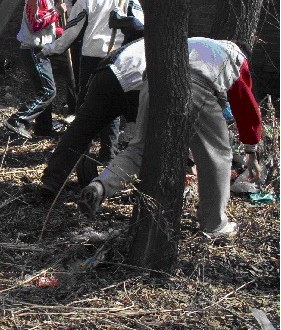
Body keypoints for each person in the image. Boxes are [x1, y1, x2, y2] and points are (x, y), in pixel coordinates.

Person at [78, 38, 263, 240]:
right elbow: (246, 108)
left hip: (152, 84)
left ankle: (100, 186)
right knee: (218, 155)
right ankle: (214, 224)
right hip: (195, 86)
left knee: (139, 150)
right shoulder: (236, 57)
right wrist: (251, 151)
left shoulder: (197, 43)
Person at [41, 0, 143, 163]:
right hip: (118, 60)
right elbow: (141, 24)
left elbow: (71, 32)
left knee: (87, 108)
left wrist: (49, 49)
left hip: (91, 60)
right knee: (112, 109)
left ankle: (81, 157)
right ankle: (108, 157)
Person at [37, 14, 145, 199]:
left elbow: (133, 27)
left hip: (107, 68)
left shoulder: (152, 39)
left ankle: (52, 181)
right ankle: (130, 178)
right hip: (134, 81)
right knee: (141, 138)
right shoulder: (178, 51)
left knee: (83, 128)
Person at [3, 0, 67, 139]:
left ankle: (43, 128)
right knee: (48, 91)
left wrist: (64, 32)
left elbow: (48, 28)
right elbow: (36, 24)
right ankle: (17, 120)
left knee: (44, 91)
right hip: (34, 50)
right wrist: (57, 12)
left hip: (43, 49)